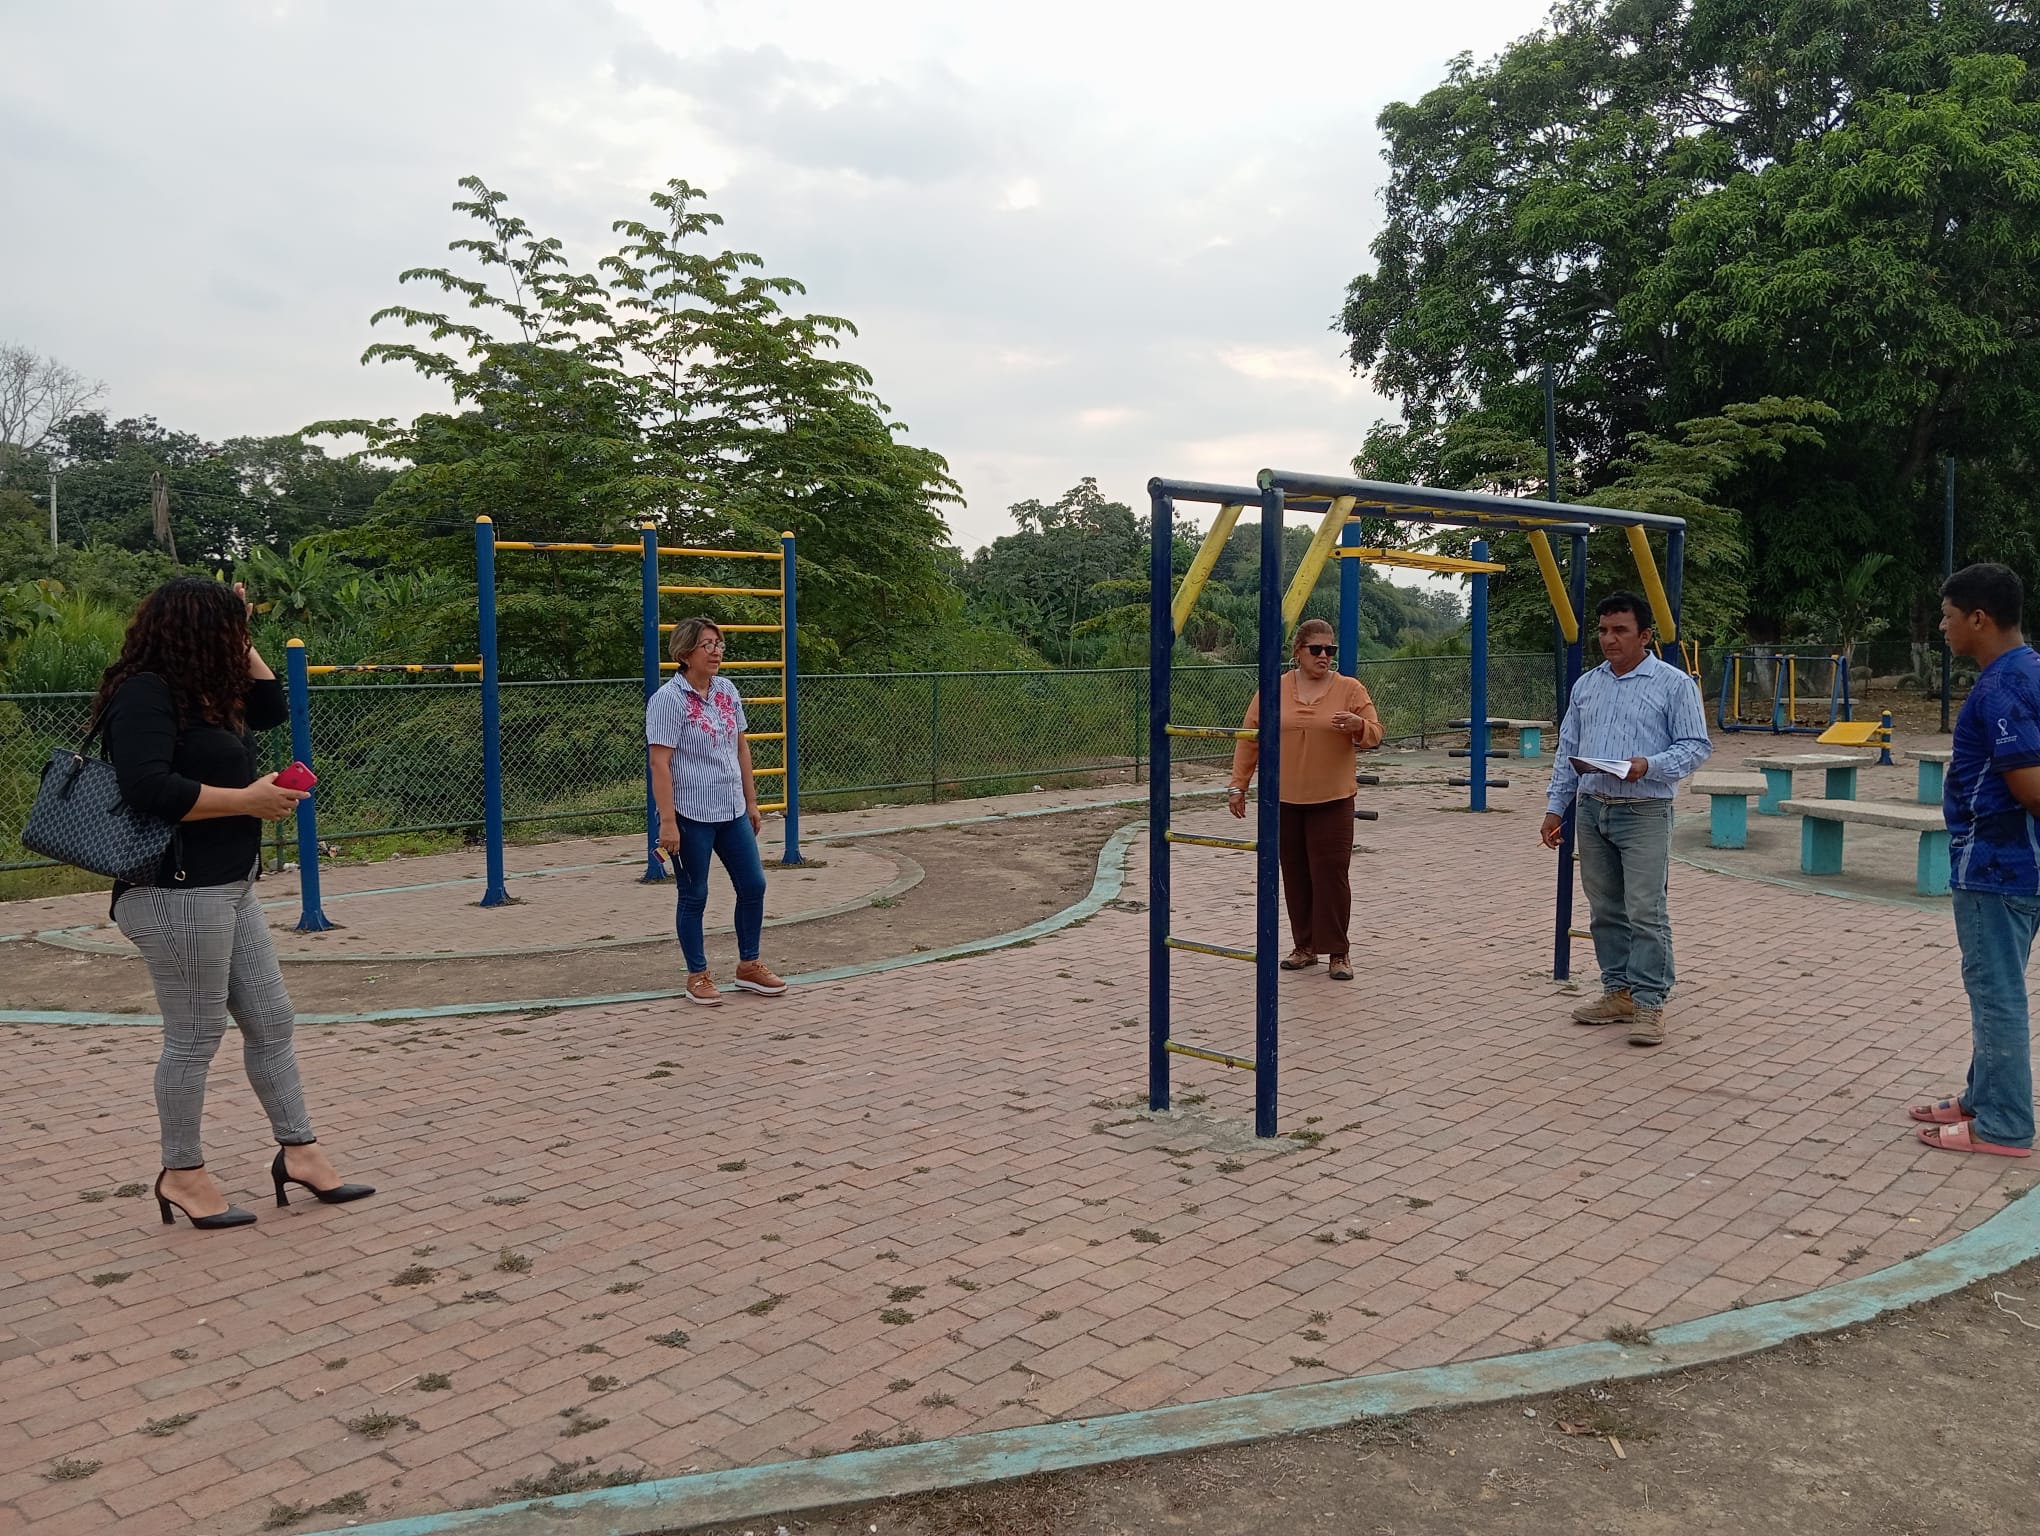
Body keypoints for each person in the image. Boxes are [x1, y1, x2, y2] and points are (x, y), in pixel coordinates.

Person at [98, 577, 374, 1230]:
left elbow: (272, 707)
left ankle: (300, 1152)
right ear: (196, 632)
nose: (241, 638)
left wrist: (243, 633)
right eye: (233, 627)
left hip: (229, 883)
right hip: (173, 891)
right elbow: (147, 789)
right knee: (195, 1036)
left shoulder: (208, 692)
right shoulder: (145, 694)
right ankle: (182, 1173)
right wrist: (247, 800)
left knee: (272, 1019)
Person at [1540, 591, 1712, 1047]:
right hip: (1593, 809)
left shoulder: (1674, 685)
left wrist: (1649, 766)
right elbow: (1567, 750)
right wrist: (1556, 807)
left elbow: (1696, 746)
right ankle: (1618, 992)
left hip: (1645, 811)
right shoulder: (1586, 686)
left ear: (1645, 636)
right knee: (1605, 910)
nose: (1609, 639)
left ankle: (1650, 1002)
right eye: (1602, 630)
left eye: (1620, 630)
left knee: (1645, 910)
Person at [1911, 562, 2038, 1158]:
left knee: (1996, 994)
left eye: (1948, 616)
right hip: (2016, 866)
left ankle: (2005, 1124)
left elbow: (2029, 786)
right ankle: (1981, 1098)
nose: (1943, 627)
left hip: (1996, 867)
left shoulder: (2002, 687)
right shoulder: (2029, 670)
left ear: (1979, 619)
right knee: (1993, 986)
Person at [1227, 618, 1385, 981]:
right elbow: (1249, 737)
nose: (1324, 656)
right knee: (1295, 874)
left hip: (1333, 799)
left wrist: (1359, 726)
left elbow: (1376, 733)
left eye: (1330, 649)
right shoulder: (1274, 689)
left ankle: (1338, 952)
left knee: (1331, 875)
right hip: (1284, 800)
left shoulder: (1350, 689)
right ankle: (1305, 946)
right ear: (1298, 652)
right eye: (1316, 649)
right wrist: (1238, 785)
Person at [647, 616, 787, 1007]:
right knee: (695, 894)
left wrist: (752, 802)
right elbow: (660, 763)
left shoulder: (726, 690)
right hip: (690, 815)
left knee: (754, 885)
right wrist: (668, 822)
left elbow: (740, 747)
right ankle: (697, 974)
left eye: (720, 644)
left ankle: (749, 965)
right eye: (707, 645)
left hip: (732, 810)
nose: (717, 652)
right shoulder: (668, 700)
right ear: (684, 652)